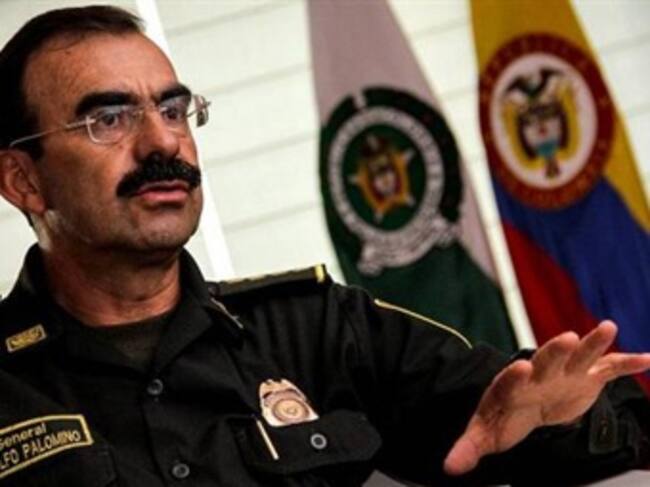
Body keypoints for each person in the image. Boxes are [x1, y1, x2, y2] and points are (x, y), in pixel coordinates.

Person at [0, 5, 647, 487]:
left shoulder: (322, 330)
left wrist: (559, 424)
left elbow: (527, 412)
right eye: (108, 119)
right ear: (23, 179)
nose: (163, 142)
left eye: (173, 110)